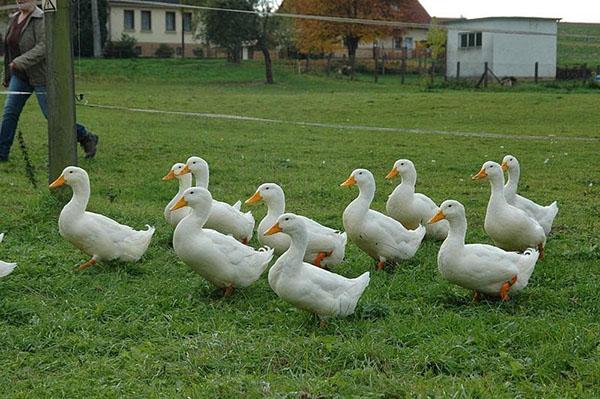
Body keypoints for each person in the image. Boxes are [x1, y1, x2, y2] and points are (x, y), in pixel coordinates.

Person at [0, 0, 98, 162]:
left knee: (52, 115)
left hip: (41, 76)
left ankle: (85, 136)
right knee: (10, 113)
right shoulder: (14, 17)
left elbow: (44, 47)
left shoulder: (42, 18)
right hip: (20, 76)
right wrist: (8, 76)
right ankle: (2, 153)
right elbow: (10, 50)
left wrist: (20, 62)